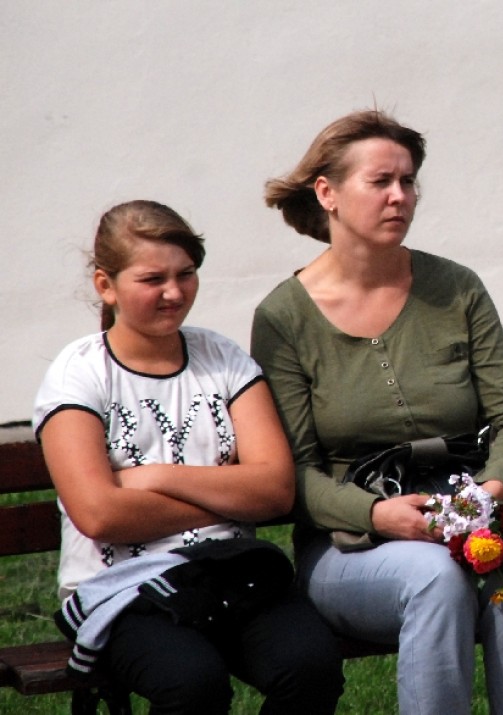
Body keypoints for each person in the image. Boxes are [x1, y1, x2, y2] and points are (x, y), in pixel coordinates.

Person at [251, 110, 503, 715]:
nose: (400, 196)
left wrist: (486, 496)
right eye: (380, 181)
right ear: (327, 193)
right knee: (435, 577)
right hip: (349, 546)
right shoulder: (283, 318)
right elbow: (294, 471)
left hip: (470, 514)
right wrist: (376, 514)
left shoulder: (458, 288)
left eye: (408, 181)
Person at [33, 200, 343, 714]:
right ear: (106, 285)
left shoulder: (223, 359)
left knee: (310, 668)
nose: (174, 292)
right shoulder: (79, 374)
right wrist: (227, 495)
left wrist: (153, 477)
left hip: (231, 572)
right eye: (152, 279)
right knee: (192, 684)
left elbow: (274, 490)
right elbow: (100, 515)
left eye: (186, 274)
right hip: (121, 590)